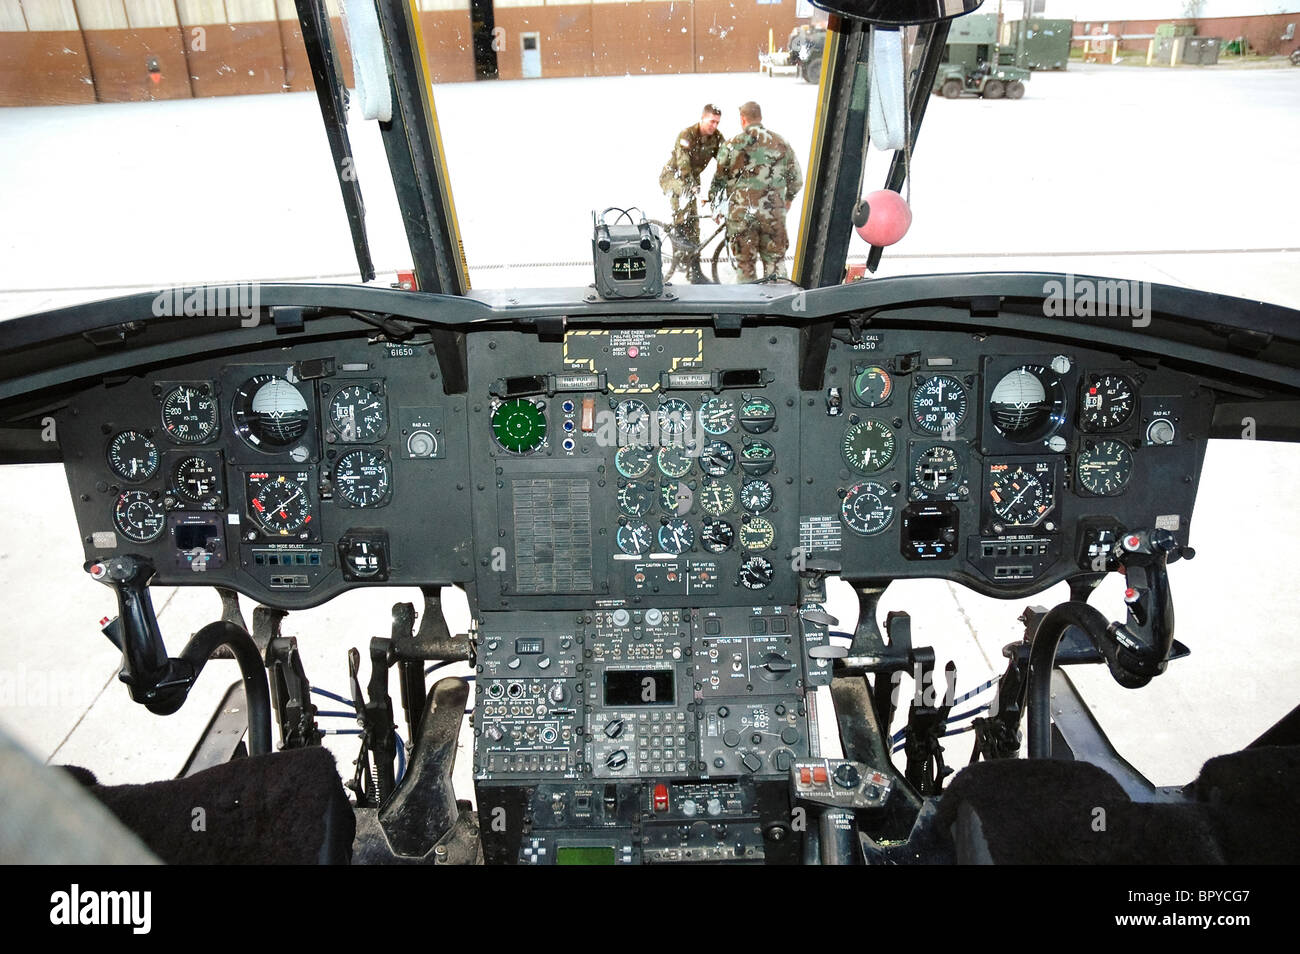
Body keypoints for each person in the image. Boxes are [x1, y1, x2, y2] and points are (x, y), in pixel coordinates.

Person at [711, 102, 803, 282]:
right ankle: (779, 304)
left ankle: (747, 308)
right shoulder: (780, 142)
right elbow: (796, 179)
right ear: (760, 118)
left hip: (742, 215)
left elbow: (719, 181)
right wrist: (788, 198)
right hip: (772, 214)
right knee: (775, 265)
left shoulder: (732, 144)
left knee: (745, 267)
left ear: (743, 119)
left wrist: (715, 205)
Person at [659, 104, 723, 283]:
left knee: (694, 226)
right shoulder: (687, 135)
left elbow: (726, 159)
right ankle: (678, 233)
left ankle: (694, 271)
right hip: (674, 176)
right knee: (685, 199)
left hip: (693, 181)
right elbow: (683, 164)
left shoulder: (716, 138)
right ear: (702, 118)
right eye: (711, 121)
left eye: (717, 122)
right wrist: (694, 188)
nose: (714, 126)